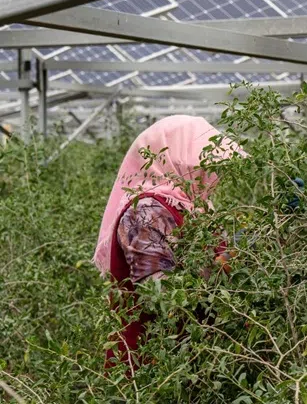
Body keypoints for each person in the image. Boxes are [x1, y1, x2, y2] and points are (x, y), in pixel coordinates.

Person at [93, 115, 245, 370]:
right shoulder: (145, 212)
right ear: (175, 164)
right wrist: (229, 261)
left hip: (189, 359)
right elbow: (162, 297)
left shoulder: (191, 207)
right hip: (154, 367)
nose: (210, 176)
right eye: (201, 166)